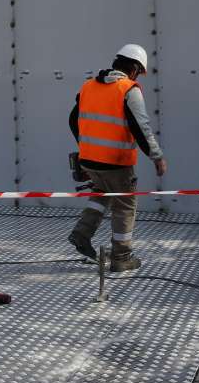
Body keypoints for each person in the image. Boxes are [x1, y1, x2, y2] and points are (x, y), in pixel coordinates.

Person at [65, 44, 167, 273]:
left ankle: (81, 234)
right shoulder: (129, 89)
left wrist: (86, 147)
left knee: (101, 196)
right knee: (125, 206)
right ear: (133, 68)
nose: (138, 76)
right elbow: (141, 127)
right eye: (139, 72)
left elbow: (74, 120)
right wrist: (157, 157)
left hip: (89, 160)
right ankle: (122, 257)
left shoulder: (89, 86)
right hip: (116, 163)